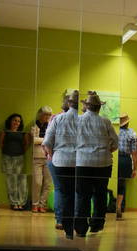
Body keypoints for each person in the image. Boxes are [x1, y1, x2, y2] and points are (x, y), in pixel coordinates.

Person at [74, 91, 118, 237]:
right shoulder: (105, 122)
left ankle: (81, 228)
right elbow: (115, 142)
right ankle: (97, 224)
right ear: (99, 108)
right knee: (100, 194)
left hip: (82, 162)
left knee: (82, 195)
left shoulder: (78, 120)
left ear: (86, 106)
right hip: (103, 163)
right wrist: (107, 150)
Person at [43, 90, 79, 239]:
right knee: (75, 192)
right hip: (78, 161)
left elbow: (47, 142)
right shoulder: (83, 119)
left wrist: (51, 155)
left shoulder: (57, 118)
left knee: (60, 190)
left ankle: (60, 220)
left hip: (57, 159)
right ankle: (72, 222)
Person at [0, 113, 30, 210]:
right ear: (10, 121)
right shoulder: (5, 131)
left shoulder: (23, 132)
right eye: (15, 120)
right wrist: (7, 151)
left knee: (20, 180)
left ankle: (20, 203)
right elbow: (1, 143)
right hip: (7, 157)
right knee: (10, 180)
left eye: (19, 121)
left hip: (19, 157)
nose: (17, 123)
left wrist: (20, 152)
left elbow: (27, 144)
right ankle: (13, 203)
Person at [116, 113, 137, 221]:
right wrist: (135, 168)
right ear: (127, 122)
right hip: (125, 160)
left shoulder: (114, 131)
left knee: (113, 182)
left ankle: (113, 206)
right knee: (121, 184)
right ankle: (118, 207)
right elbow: (134, 153)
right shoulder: (131, 133)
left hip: (115, 158)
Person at [31, 106, 53, 213]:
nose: (47, 117)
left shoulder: (51, 125)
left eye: (49, 115)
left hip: (49, 157)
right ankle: (35, 204)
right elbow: (34, 140)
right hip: (37, 157)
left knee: (48, 183)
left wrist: (42, 140)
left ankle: (42, 204)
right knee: (37, 182)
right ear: (40, 114)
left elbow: (53, 140)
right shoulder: (34, 125)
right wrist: (46, 140)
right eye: (45, 114)